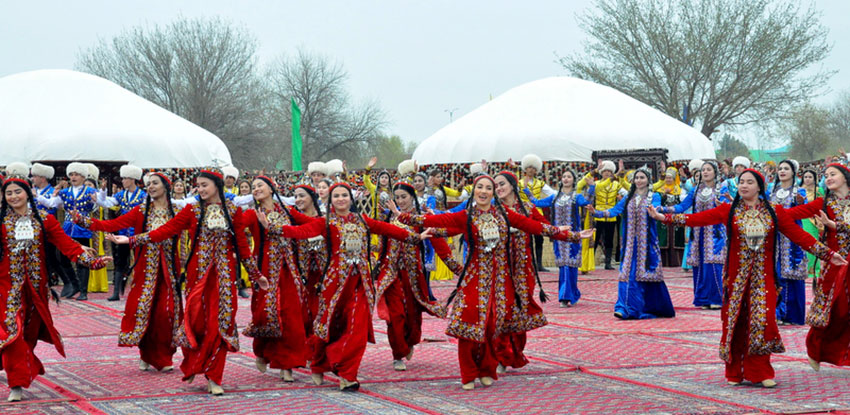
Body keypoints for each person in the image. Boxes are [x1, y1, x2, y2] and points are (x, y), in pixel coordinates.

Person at [650, 169, 844, 388]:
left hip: (764, 279)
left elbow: (798, 235)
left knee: (762, 321)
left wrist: (828, 254)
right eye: (741, 182)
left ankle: (760, 371)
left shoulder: (774, 211)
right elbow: (697, 219)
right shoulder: (729, 210)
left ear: (759, 187)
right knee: (736, 321)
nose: (743, 186)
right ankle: (735, 372)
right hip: (736, 279)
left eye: (749, 182)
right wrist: (663, 217)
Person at [396, 175, 590, 390]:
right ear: (475, 191)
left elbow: (535, 227)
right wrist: (404, 217)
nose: (484, 191)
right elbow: (436, 221)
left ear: (492, 193)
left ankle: (487, 369)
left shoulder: (504, 215)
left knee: (493, 325)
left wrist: (572, 236)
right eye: (480, 187)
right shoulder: (466, 215)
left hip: (500, 280)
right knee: (468, 323)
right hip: (473, 278)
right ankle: (468, 373)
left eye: (488, 188)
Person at [109, 168, 269, 396]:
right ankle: (195, 363)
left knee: (220, 322)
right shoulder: (191, 210)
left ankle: (215, 376)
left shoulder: (233, 211)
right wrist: (133, 239)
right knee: (198, 323)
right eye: (199, 186)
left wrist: (256, 275)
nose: (201, 190)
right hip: (198, 278)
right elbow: (167, 230)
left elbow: (242, 246)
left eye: (205, 185)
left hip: (224, 278)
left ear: (217, 185)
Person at [270, 182, 431, 391]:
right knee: (330, 326)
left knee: (357, 328)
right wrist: (273, 228)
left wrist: (416, 237)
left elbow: (387, 229)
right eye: (336, 196)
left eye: (344, 195)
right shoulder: (325, 222)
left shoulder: (362, 220)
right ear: (331, 200)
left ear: (351, 198)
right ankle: (319, 363)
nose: (340, 199)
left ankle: (347, 374)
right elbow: (301, 231)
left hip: (361, 284)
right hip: (335, 285)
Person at [0, 163, 111, 402]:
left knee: (27, 334)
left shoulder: (44, 221)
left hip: (36, 289)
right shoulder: (1, 223)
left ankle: (22, 369)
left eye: (17, 192)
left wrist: (92, 262)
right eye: (8, 193)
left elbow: (66, 244)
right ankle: (16, 383)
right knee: (12, 331)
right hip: (6, 289)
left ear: (27, 193)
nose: (13, 197)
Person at [77, 172, 180, 373]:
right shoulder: (142, 210)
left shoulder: (177, 211)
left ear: (166, 186)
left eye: (155, 183)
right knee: (143, 309)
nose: (150, 187)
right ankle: (146, 352)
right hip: (146, 268)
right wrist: (86, 222)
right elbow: (113, 225)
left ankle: (165, 355)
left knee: (166, 312)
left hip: (170, 269)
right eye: (148, 184)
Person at [380, 182, 458, 371]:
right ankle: (397, 353)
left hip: (413, 274)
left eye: (403, 197)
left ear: (412, 197)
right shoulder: (389, 216)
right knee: (395, 315)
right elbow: (383, 244)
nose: (400, 201)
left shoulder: (421, 219)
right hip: (391, 273)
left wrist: (458, 269)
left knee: (413, 315)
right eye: (397, 198)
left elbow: (439, 244)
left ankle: (410, 341)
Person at [784, 163, 850, 372]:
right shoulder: (823, 203)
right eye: (826, 175)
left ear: (845, 177)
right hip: (835, 265)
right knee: (833, 311)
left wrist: (836, 226)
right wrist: (768, 209)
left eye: (833, 174)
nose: (828, 178)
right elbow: (792, 213)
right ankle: (816, 350)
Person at [241, 176, 307, 382]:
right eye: (253, 187)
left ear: (272, 188)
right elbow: (236, 228)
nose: (256, 189)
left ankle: (286, 364)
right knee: (265, 313)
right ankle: (262, 351)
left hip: (288, 270)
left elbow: (309, 224)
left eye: (260, 185)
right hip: (265, 272)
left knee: (290, 314)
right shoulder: (252, 214)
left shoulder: (287, 211)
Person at [591, 167, 675, 320]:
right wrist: (596, 212)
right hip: (630, 244)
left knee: (647, 276)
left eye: (642, 178)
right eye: (637, 178)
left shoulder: (653, 196)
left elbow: (657, 210)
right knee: (626, 274)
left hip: (647, 245)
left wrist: (656, 211)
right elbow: (614, 211)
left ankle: (647, 307)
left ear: (648, 180)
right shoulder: (628, 198)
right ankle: (625, 308)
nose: (639, 181)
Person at [660, 161, 729, 309]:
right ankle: (703, 299)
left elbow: (725, 209)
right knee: (699, 266)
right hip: (698, 233)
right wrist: (662, 209)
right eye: (703, 170)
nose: (705, 172)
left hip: (715, 232)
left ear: (715, 172)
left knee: (713, 265)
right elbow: (682, 206)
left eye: (708, 170)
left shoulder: (721, 188)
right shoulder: (695, 189)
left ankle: (717, 299)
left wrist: (721, 203)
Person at [527, 169, 594, 307]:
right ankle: (565, 296)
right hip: (558, 236)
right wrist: (526, 191)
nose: (566, 179)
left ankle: (570, 293)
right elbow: (537, 203)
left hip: (574, 236)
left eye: (569, 176)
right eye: (564, 176)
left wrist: (592, 187)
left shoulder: (576, 196)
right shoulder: (554, 197)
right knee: (563, 266)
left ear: (573, 180)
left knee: (571, 265)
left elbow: (586, 201)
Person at [37, 162, 99, 300]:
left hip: (82, 228)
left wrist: (98, 199)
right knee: (63, 258)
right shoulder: (65, 192)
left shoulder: (90, 191)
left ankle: (83, 291)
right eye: (71, 174)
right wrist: (40, 197)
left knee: (83, 259)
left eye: (76, 174)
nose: (73, 177)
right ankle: (74, 284)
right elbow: (52, 204)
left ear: (83, 176)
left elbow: (97, 205)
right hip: (67, 228)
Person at [97, 164, 146, 301]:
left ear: (132, 179)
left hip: (138, 232)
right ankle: (116, 292)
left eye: (125, 178)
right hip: (123, 232)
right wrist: (102, 191)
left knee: (140, 260)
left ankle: (141, 289)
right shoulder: (121, 195)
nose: (123, 181)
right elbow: (106, 202)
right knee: (120, 261)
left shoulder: (143, 195)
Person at [768, 160, 808, 325]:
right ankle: (778, 313)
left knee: (792, 276)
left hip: (792, 240)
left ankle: (793, 315)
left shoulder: (799, 191)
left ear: (794, 172)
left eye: (786, 169)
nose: (782, 171)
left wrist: (800, 203)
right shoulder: (772, 191)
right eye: (780, 169)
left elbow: (803, 211)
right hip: (775, 239)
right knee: (776, 275)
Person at [579, 159, 628, 270]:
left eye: (609, 171)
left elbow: (626, 194)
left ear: (612, 173)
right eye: (605, 171)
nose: (607, 173)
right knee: (594, 238)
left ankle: (608, 262)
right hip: (597, 213)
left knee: (609, 238)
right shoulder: (596, 184)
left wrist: (620, 202)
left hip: (611, 214)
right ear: (601, 172)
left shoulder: (616, 185)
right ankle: (590, 262)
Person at [517, 154, 557, 272]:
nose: (531, 170)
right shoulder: (518, 183)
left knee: (539, 239)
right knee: (526, 239)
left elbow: (552, 193)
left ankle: (539, 264)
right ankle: (527, 264)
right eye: (529, 167)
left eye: (534, 168)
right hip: (523, 213)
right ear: (525, 168)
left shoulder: (540, 183)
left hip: (537, 213)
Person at [653, 166, 685, 267]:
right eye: (666, 177)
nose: (668, 179)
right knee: (663, 238)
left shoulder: (680, 190)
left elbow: (682, 204)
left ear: (674, 178)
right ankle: (664, 262)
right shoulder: (659, 190)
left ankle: (676, 262)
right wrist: (664, 195)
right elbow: (657, 205)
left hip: (676, 216)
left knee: (676, 238)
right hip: (663, 216)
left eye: (670, 178)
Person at [800, 168, 825, 278]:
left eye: (810, 177)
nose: (807, 179)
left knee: (812, 243)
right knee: (801, 244)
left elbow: (822, 206)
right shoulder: (799, 190)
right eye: (806, 177)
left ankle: (814, 270)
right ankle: (802, 269)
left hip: (813, 221)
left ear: (815, 179)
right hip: (801, 219)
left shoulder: (819, 190)